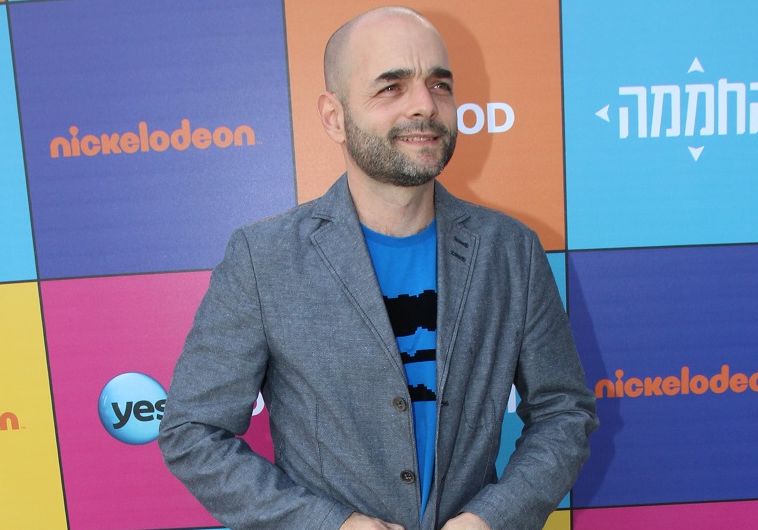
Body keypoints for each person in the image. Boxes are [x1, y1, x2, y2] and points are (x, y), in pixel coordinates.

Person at [158, 6, 597, 530]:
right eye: (391, 87)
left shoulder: (510, 251)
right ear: (334, 116)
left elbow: (563, 412)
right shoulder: (263, 258)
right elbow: (192, 432)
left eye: (439, 85)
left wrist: (490, 519)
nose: (424, 105)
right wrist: (329, 525)